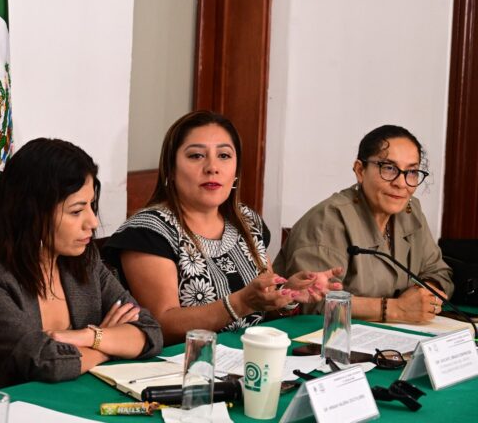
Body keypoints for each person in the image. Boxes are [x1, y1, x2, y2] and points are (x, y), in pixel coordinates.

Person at [103, 111, 342, 345]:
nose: (212, 167)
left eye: (224, 156)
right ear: (171, 169)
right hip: (181, 368)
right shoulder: (148, 231)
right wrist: (240, 303)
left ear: (236, 172)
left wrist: (287, 294)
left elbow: (263, 309)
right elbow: (160, 325)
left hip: (247, 358)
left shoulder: (247, 221)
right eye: (196, 156)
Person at [0, 138, 163, 393]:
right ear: (33, 215)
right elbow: (43, 362)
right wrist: (110, 345)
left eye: (91, 206)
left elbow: (150, 332)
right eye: (76, 211)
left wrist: (88, 337)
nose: (93, 222)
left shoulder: (85, 262)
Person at [273, 125, 454, 323]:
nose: (401, 183)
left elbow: (440, 273)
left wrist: (423, 296)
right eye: (389, 168)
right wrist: (396, 309)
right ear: (360, 170)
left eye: (411, 172)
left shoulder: (410, 211)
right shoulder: (328, 220)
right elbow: (312, 302)